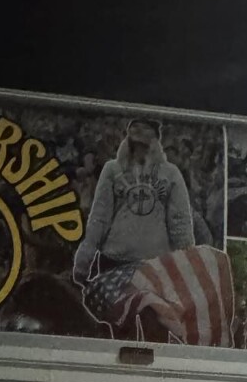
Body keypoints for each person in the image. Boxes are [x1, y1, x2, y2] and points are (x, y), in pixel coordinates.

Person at [72, 118, 194, 288]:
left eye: (145, 133)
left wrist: (187, 269)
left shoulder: (171, 173)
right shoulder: (112, 169)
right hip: (114, 259)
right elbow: (99, 217)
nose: (140, 149)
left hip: (155, 265)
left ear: (155, 141)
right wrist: (84, 261)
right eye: (136, 131)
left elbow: (180, 223)